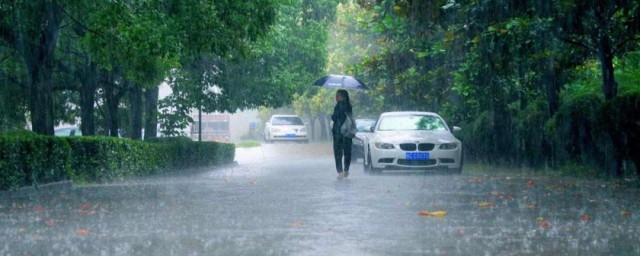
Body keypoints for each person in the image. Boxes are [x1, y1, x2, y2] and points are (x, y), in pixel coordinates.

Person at [331, 89, 353, 180]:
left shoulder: (339, 106)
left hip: (338, 133)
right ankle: (346, 170)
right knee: (347, 152)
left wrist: (333, 116)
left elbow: (335, 118)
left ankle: (340, 172)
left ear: (342, 96)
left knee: (338, 152)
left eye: (338, 96)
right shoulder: (349, 106)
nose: (336, 97)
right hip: (347, 133)